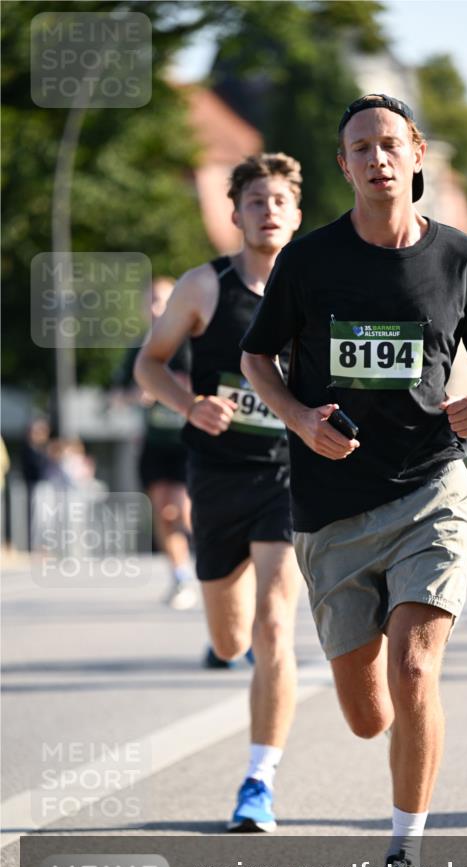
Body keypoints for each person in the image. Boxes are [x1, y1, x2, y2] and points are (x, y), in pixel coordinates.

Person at [240, 95, 467, 867]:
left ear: (416, 152)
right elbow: (257, 359)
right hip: (330, 510)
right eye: (358, 147)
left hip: (433, 487)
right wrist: (297, 418)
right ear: (342, 164)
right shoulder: (310, 260)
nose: (376, 158)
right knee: (368, 713)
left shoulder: (461, 260)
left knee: (414, 669)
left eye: (388, 144)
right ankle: (405, 747)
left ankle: (404, 851)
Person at [135, 153, 303, 831]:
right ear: (234, 214)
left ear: (296, 214)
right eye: (255, 200)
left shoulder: (317, 291)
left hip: (289, 475)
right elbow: (151, 364)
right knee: (230, 638)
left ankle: (258, 781)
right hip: (218, 476)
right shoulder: (205, 287)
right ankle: (245, 657)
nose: (268, 210)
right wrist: (190, 404)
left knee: (273, 625)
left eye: (280, 200)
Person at [114, 278, 197, 610]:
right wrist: (137, 394)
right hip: (154, 443)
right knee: (164, 511)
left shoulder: (193, 344)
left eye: (162, 300)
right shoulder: (139, 349)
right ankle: (180, 575)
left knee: (183, 510)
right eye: (150, 301)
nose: (155, 307)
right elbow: (117, 394)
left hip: (190, 442)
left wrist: (178, 390)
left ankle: (213, 556)